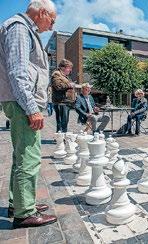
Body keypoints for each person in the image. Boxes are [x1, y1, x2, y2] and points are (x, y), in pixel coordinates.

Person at [0, 0, 57, 228]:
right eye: (51, 20)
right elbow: (17, 72)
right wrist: (32, 108)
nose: (51, 26)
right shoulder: (20, 28)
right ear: (42, 12)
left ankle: (19, 203)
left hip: (18, 101)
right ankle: (25, 213)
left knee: (20, 156)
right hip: (22, 103)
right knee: (29, 158)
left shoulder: (22, 29)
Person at [51, 59, 74, 132]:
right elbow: (58, 86)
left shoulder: (64, 76)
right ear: (62, 67)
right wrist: (69, 84)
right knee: (61, 122)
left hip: (65, 102)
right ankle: (61, 139)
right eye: (69, 68)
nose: (70, 70)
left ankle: (63, 137)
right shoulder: (56, 74)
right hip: (60, 102)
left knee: (64, 122)